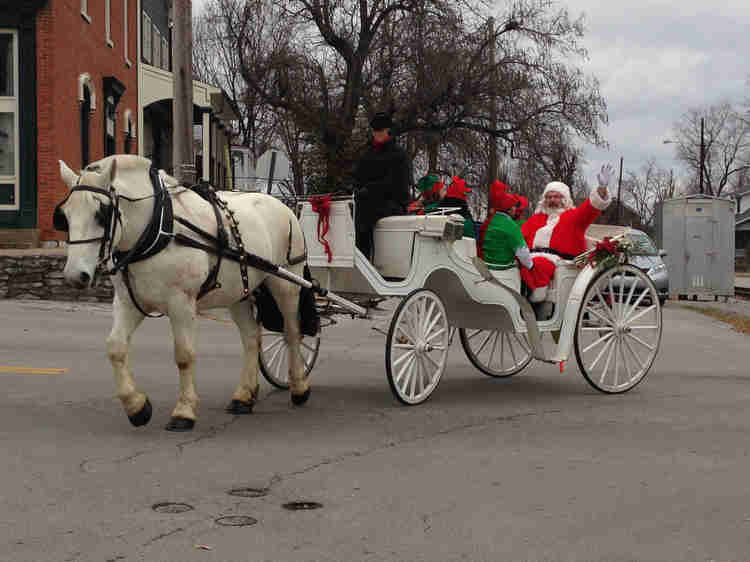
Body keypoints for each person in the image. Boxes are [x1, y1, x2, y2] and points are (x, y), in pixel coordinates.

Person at [520, 164, 615, 302]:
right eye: (549, 197)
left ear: (564, 199)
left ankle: (536, 294)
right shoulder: (536, 218)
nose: (552, 200)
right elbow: (519, 238)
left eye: (556, 197)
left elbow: (590, 208)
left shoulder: (573, 217)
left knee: (539, 263)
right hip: (531, 259)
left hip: (561, 262)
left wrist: (601, 189)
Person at [352, 111, 412, 258]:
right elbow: (357, 176)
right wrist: (354, 187)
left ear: (388, 131)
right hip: (368, 200)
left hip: (393, 202)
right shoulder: (367, 154)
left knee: (364, 213)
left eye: (380, 131)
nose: (377, 134)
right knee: (352, 209)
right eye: (375, 131)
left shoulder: (399, 155)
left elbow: (397, 184)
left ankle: (364, 257)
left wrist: (370, 189)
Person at [477, 180, 533, 270]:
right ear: (509, 210)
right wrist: (531, 266)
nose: (516, 209)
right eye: (514, 206)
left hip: (486, 266)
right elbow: (523, 254)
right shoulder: (511, 226)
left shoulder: (490, 221)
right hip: (503, 268)